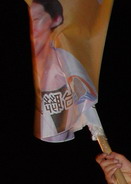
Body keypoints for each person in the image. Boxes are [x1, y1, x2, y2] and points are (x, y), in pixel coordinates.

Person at [28, 0, 99, 142]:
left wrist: (97, 128)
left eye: (36, 20)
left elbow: (84, 96)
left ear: (55, 20)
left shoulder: (64, 60)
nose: (32, 27)